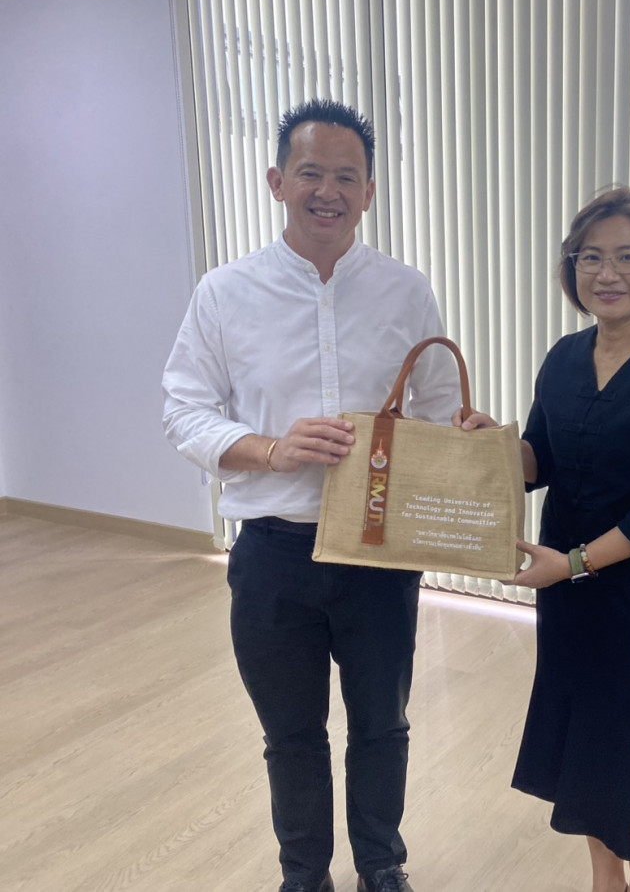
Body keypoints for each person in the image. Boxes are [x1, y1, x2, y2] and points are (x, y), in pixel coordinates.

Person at [163, 100, 461, 892]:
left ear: (369, 193)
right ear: (277, 181)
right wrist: (271, 448)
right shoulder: (225, 292)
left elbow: (437, 409)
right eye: (311, 173)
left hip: (379, 553)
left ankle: (381, 865)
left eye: (346, 177)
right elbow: (183, 409)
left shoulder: (406, 291)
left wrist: (453, 439)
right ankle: (304, 874)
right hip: (273, 553)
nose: (327, 191)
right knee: (291, 733)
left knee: (382, 725)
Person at [458, 186, 630, 892]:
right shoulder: (565, 357)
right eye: (591, 257)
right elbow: (540, 460)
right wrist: (494, 446)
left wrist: (572, 564)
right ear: (572, 268)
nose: (608, 273)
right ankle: (607, 880)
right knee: (593, 743)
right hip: (571, 594)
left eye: (628, 256)